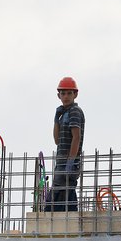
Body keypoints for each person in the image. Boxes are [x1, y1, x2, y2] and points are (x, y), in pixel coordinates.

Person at [45, 77, 85, 212]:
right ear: (58, 95)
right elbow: (57, 140)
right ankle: (67, 226)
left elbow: (76, 137)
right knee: (60, 197)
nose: (66, 96)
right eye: (63, 93)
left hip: (68, 163)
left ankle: (68, 226)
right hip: (61, 162)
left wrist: (71, 162)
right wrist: (56, 120)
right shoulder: (64, 114)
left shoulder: (74, 111)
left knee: (62, 197)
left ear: (75, 94)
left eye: (69, 93)